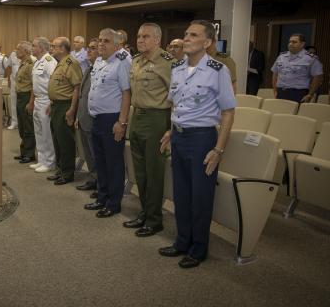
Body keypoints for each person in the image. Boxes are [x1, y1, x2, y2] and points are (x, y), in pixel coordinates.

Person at [159, 20, 235, 269]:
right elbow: (176, 105)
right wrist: (171, 132)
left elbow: (228, 112)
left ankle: (198, 248)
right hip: (180, 136)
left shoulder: (217, 70)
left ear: (208, 42)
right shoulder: (178, 67)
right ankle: (182, 241)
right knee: (181, 194)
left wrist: (219, 149)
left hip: (203, 138)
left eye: (193, 35)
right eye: (186, 33)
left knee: (200, 197)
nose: (186, 38)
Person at [126, 23, 174, 236]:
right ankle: (145, 212)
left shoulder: (167, 63)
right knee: (141, 173)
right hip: (137, 116)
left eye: (145, 36)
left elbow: (176, 97)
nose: (140, 40)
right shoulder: (136, 60)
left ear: (157, 40)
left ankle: (155, 220)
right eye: (138, 36)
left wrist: (171, 128)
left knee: (154, 173)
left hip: (156, 119)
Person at [83, 28, 131, 217]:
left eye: (106, 41)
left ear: (117, 45)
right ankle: (102, 197)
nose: (101, 44)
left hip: (112, 120)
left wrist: (122, 122)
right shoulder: (99, 62)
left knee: (113, 164)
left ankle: (113, 202)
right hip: (96, 118)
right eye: (100, 40)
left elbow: (127, 94)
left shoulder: (121, 63)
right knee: (100, 162)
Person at [47, 37, 83, 185]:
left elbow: (76, 87)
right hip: (56, 105)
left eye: (54, 46)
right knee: (57, 140)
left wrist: (72, 109)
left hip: (65, 106)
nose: (51, 48)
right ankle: (61, 169)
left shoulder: (71, 63)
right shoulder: (60, 63)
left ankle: (68, 173)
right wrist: (52, 103)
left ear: (62, 48)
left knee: (66, 141)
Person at [28, 37, 58, 173]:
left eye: (34, 46)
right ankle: (42, 160)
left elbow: (54, 83)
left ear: (41, 48)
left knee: (47, 133)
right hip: (38, 99)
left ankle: (50, 162)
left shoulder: (49, 61)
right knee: (39, 132)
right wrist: (32, 101)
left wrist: (52, 102)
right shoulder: (37, 62)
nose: (32, 48)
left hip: (46, 100)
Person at [75, 38, 99, 192]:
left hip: (93, 118)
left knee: (95, 153)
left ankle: (98, 180)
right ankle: (93, 178)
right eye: (88, 48)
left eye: (93, 48)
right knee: (88, 152)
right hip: (84, 117)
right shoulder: (89, 68)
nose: (88, 51)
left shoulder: (100, 69)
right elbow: (82, 95)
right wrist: (78, 115)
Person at [271, 34, 323, 103]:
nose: (291, 44)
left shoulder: (310, 58)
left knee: (294, 113)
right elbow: (275, 74)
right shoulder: (281, 57)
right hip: (281, 92)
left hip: (298, 94)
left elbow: (317, 77)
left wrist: (310, 94)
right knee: (279, 113)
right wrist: (275, 90)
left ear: (302, 44)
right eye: (290, 42)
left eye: (294, 42)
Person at [13, 41, 36, 164]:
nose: (16, 51)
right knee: (21, 125)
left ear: (26, 51)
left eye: (18, 49)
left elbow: (33, 85)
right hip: (20, 97)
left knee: (28, 126)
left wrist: (31, 101)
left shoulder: (31, 64)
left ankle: (29, 153)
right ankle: (24, 151)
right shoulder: (22, 63)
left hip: (27, 96)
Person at [3, 49, 20, 129]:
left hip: (24, 83)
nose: (17, 50)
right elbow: (8, 67)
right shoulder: (13, 54)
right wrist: (9, 80)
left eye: (19, 49)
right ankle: (14, 122)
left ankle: (22, 123)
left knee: (23, 103)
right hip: (13, 81)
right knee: (13, 102)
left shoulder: (30, 56)